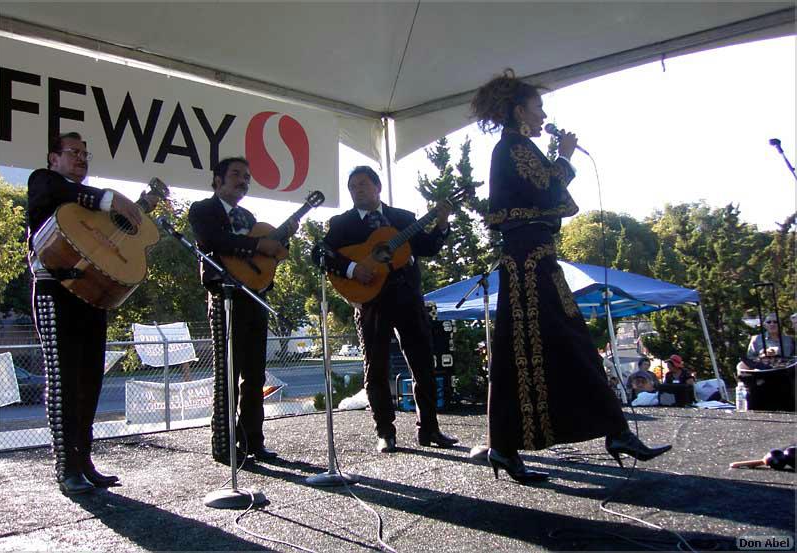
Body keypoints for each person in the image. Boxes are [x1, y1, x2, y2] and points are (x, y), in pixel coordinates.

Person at [471, 69, 670, 482]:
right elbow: (548, 191)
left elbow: (553, 196)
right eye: (538, 106)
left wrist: (557, 160)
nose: (544, 113)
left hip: (537, 261)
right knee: (537, 350)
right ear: (519, 110)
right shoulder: (512, 147)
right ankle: (514, 446)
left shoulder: (520, 148)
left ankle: (607, 432)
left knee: (565, 345)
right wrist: (563, 155)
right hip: (527, 265)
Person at [27, 132, 157, 494]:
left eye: (86, 153)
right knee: (64, 381)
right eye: (74, 152)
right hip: (55, 290)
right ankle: (66, 467)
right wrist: (110, 199)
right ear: (54, 158)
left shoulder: (94, 203)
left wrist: (134, 210)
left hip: (91, 294)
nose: (82, 158)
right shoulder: (44, 181)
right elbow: (59, 195)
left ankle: (84, 461)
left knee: (89, 382)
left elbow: (108, 236)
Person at [311, 166, 458, 453]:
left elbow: (428, 247)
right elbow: (319, 253)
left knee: (423, 364)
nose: (358, 190)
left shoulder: (403, 218)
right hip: (370, 302)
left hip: (408, 299)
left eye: (363, 184)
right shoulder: (342, 224)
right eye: (352, 186)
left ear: (378, 187)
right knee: (376, 367)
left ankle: (429, 429)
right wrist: (353, 269)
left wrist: (442, 225)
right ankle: (385, 432)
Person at [188, 157, 294, 465]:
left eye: (247, 176)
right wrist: (259, 245)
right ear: (217, 180)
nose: (243, 180)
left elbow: (265, 258)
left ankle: (253, 441)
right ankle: (224, 443)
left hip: (255, 297)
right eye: (236, 174)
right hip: (224, 297)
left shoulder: (249, 215)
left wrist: (281, 237)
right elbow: (213, 240)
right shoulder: (202, 209)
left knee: (254, 375)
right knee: (227, 374)